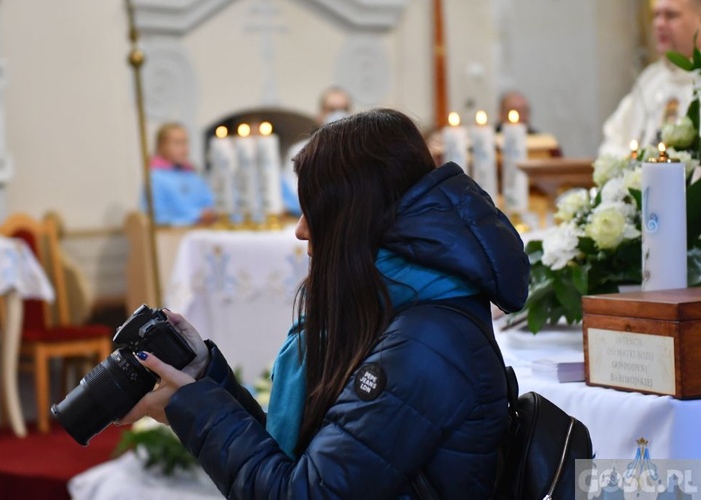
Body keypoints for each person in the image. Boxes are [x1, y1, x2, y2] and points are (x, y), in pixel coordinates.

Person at [119, 109, 530, 498]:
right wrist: (206, 380)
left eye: (313, 210)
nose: (300, 230)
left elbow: (302, 491)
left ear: (354, 217)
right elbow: (312, 461)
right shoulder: (402, 306)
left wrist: (192, 408)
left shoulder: (424, 346)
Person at [599, 0, 701, 157]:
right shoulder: (650, 79)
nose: (659, 24)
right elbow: (613, 140)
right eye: (656, 15)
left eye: (671, 15)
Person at [281, 86, 353, 215]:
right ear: (320, 115)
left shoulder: (359, 152)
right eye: (331, 109)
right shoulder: (300, 152)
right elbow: (294, 196)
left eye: (344, 109)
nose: (338, 115)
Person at [143, 122, 215, 226]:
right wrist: (195, 216)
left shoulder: (193, 176)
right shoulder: (155, 178)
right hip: (170, 237)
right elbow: (157, 217)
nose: (184, 149)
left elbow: (208, 204)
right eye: (177, 143)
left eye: (185, 142)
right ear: (161, 146)